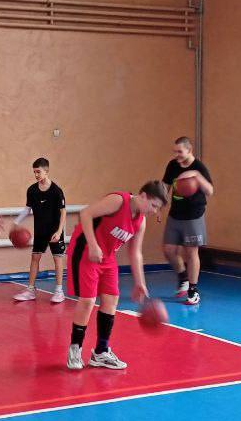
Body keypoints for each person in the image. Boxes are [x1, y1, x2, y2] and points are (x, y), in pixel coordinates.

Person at [64, 181, 169, 371]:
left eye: (157, 208)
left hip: (107, 256)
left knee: (112, 299)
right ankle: (75, 349)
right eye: (153, 205)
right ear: (143, 196)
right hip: (86, 250)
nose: (154, 211)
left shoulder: (140, 221)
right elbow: (85, 214)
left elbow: (135, 252)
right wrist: (93, 245)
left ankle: (101, 352)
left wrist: (140, 283)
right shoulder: (118, 201)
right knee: (88, 301)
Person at [161, 137, 214, 305]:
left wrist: (197, 176)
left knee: (191, 253)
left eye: (180, 152)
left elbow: (210, 190)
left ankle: (193, 289)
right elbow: (165, 186)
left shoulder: (199, 167)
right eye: (175, 151)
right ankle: (182, 277)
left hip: (193, 215)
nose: (176, 155)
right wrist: (159, 206)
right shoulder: (172, 165)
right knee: (168, 250)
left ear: (189, 150)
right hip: (175, 214)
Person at [11, 158, 67, 304]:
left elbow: (63, 212)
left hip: (55, 231)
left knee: (58, 259)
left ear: (46, 171)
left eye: (38, 172)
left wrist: (59, 231)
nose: (36, 175)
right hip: (40, 230)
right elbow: (27, 209)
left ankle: (59, 291)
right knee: (35, 257)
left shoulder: (56, 191)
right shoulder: (32, 190)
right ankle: (30, 290)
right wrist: (16, 222)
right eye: (34, 172)